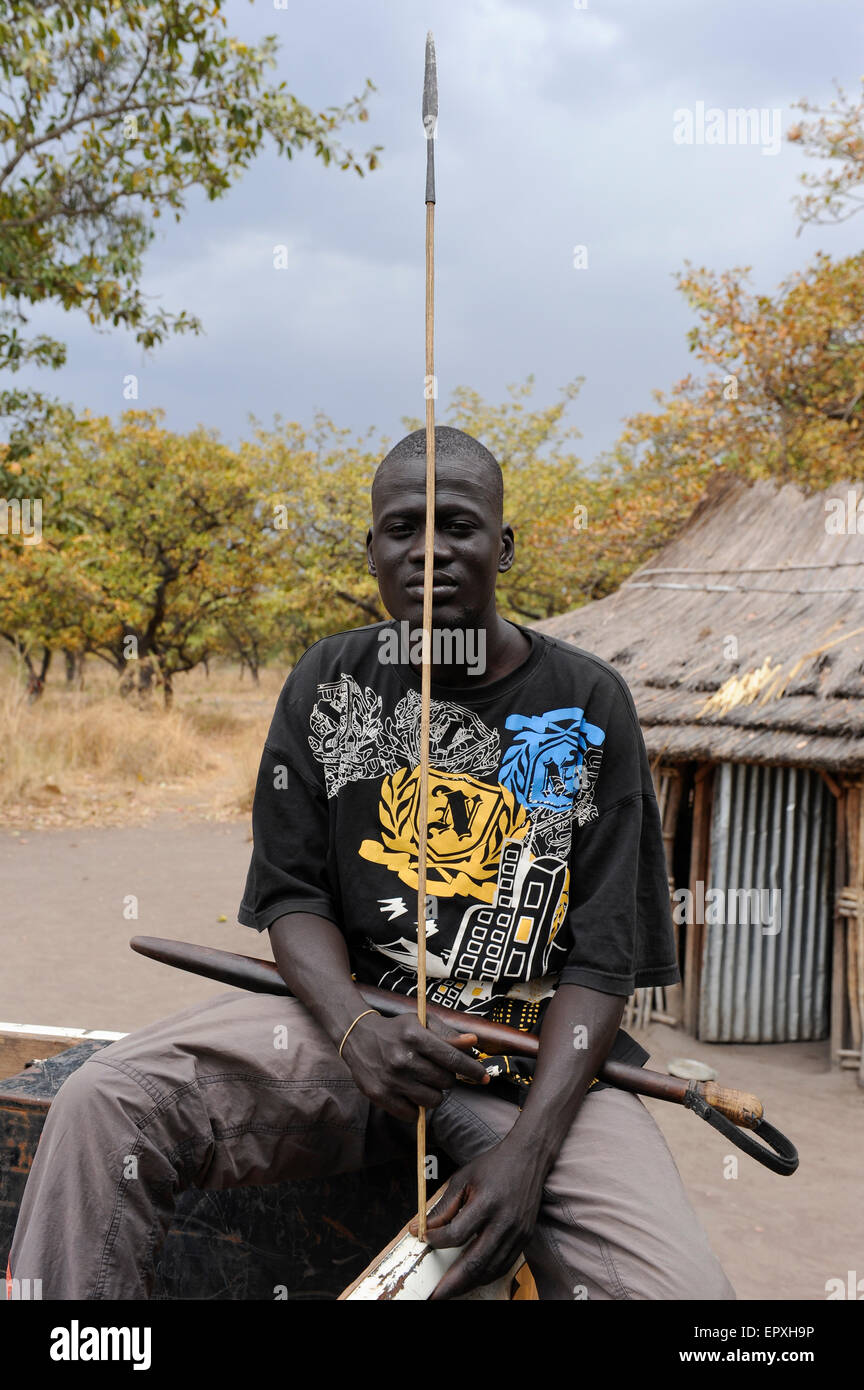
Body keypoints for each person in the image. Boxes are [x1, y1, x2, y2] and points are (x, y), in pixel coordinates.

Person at [7, 427, 735, 1301]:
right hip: (349, 1032)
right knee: (104, 1104)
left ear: (503, 547)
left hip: (536, 1065)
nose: (430, 551)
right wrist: (354, 1031)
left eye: (459, 526)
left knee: (687, 1299)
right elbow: (292, 897)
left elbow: (603, 958)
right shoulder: (330, 681)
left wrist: (526, 1156)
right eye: (402, 529)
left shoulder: (585, 702)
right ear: (373, 552)